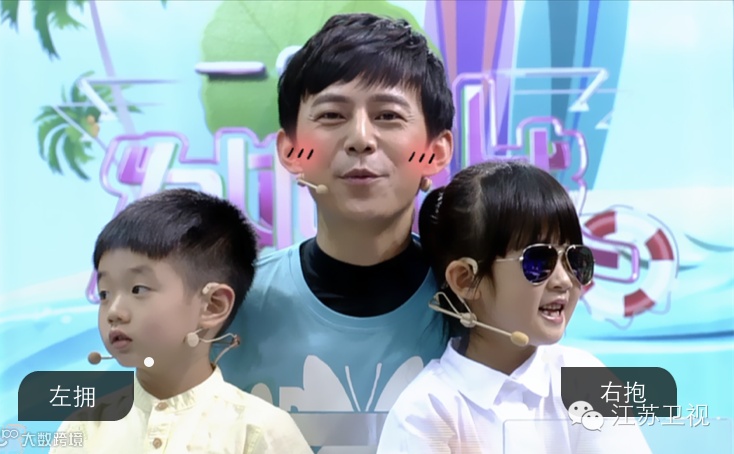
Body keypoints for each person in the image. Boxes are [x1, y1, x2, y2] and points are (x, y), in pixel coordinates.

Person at [218, 12, 455, 452]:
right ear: (291, 151)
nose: (360, 138)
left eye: (388, 115)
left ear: (435, 152)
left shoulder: (480, 304)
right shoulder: (228, 303)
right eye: (331, 115)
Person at [375, 161, 653, 453]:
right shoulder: (426, 412)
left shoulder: (585, 378)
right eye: (538, 261)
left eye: (575, 259)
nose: (563, 280)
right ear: (466, 279)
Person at [50, 189, 312, 454]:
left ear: (213, 305)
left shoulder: (259, 430)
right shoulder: (85, 426)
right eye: (105, 294)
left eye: (138, 289)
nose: (114, 312)